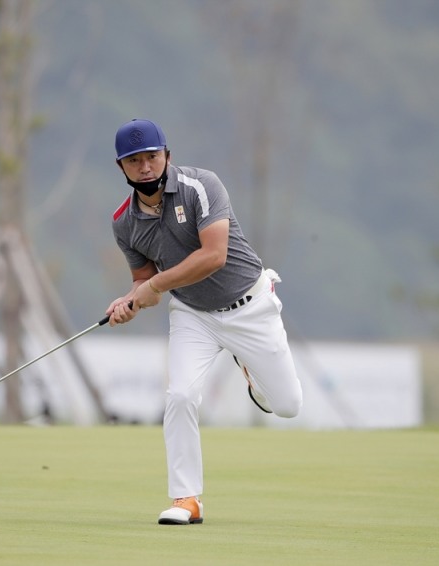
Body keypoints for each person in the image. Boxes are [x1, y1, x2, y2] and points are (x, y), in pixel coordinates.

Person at [106, 118, 303, 525]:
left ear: (167, 157)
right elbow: (145, 283)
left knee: (287, 406)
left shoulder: (202, 186)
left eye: (152, 157)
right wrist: (130, 301)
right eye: (134, 161)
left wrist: (154, 284)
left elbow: (213, 255)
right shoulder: (123, 222)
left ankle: (247, 362)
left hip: (250, 305)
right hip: (194, 315)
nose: (145, 167)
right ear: (121, 167)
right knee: (179, 396)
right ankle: (186, 500)